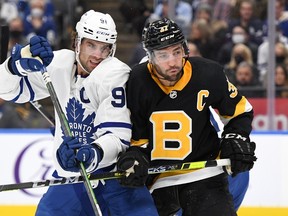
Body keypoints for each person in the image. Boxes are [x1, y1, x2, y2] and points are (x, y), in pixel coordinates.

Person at [0, 10, 158, 216]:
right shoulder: (59, 63)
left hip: (114, 177)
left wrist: (92, 153)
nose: (98, 55)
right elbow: (6, 90)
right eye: (91, 45)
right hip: (70, 178)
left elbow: (117, 136)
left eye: (105, 48)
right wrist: (14, 67)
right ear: (77, 42)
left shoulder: (114, 73)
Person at [117, 18, 257, 215]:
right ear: (150, 57)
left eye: (176, 52)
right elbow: (138, 137)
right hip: (159, 182)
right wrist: (135, 156)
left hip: (205, 175)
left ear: (185, 49)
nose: (173, 62)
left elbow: (240, 111)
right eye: (163, 55)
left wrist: (236, 136)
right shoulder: (137, 81)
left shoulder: (208, 73)